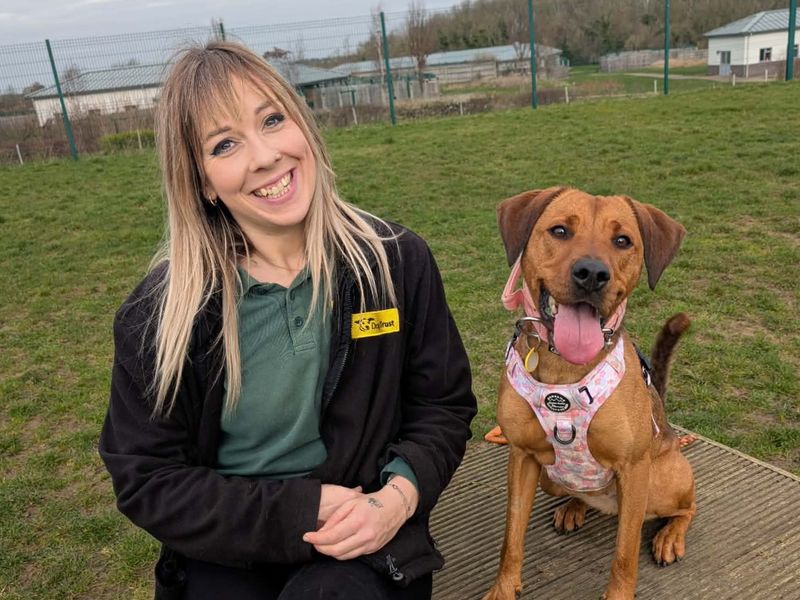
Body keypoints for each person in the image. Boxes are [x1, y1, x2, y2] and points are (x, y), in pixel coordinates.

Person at [98, 41, 476, 600]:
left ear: (302, 125)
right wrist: (298, 507)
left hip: (362, 534)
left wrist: (396, 499)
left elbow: (442, 406)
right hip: (231, 540)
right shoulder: (158, 317)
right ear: (202, 181)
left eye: (272, 119)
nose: (265, 156)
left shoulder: (396, 262)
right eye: (225, 144)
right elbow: (147, 477)